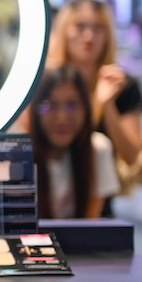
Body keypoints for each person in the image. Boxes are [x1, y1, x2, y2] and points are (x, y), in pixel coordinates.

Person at [44, 0, 142, 183]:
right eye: (80, 26)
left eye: (97, 28)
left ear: (107, 34)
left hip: (101, 190)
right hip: (52, 187)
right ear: (64, 30)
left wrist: (107, 105)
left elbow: (132, 157)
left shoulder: (122, 84)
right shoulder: (47, 83)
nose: (89, 36)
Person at [29, 66, 120, 219]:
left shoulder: (98, 149)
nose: (62, 118)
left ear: (86, 109)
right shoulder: (20, 155)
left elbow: (89, 222)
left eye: (72, 105)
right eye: (50, 105)